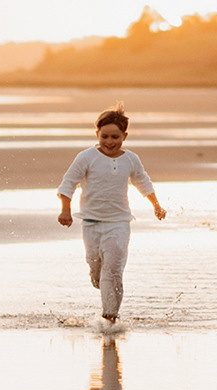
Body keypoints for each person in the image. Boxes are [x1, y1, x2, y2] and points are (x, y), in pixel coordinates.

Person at [56, 105, 165, 324]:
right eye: (104, 136)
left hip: (119, 223)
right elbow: (69, 182)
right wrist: (65, 211)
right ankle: (97, 278)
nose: (109, 141)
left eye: (115, 137)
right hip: (91, 223)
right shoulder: (87, 157)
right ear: (97, 134)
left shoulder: (131, 159)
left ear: (124, 136)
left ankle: (110, 318)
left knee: (113, 271)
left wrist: (156, 205)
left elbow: (142, 181)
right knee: (96, 268)